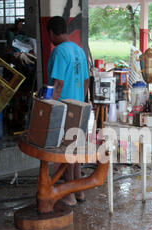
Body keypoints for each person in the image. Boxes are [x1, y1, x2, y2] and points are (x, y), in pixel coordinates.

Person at [47, 16, 90, 206]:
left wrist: (50, 108)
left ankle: (69, 195)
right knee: (75, 151)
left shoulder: (58, 52)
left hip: (65, 108)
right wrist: (82, 99)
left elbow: (58, 84)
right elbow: (87, 80)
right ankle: (78, 191)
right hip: (80, 107)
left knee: (64, 153)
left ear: (51, 33)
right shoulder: (79, 50)